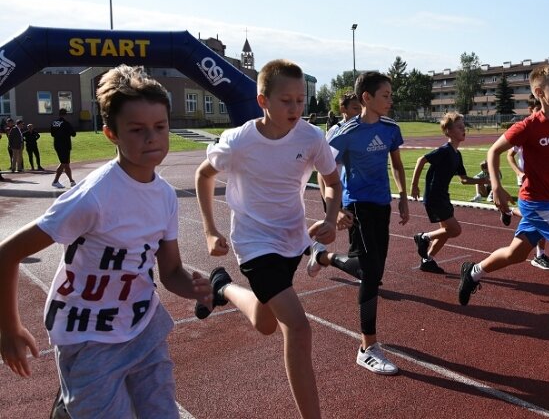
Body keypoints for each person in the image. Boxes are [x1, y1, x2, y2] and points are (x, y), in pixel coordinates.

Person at [0, 65, 212, 417]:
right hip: (87, 338)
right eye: (137, 129)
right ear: (111, 133)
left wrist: (193, 287)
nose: (152, 138)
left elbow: (171, 270)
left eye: (160, 127)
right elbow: (7, 253)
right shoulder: (93, 197)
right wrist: (8, 328)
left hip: (142, 327)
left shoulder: (165, 196)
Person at [194, 59, 341, 418]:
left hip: (291, 238)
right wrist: (210, 230)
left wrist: (332, 218)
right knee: (298, 328)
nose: (295, 108)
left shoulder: (311, 137)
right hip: (253, 242)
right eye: (286, 101)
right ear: (263, 101)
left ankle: (222, 288)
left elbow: (333, 182)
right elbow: (203, 175)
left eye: (300, 100)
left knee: (265, 323)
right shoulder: (239, 141)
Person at [457, 62, 549, 350]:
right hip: (535, 202)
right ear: (540, 92)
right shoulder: (527, 126)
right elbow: (494, 152)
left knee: (516, 254)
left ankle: (472, 272)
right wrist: (498, 187)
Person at [312, 71, 409, 374]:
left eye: (391, 95)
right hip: (357, 205)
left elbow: (395, 163)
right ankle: (368, 346)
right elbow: (323, 171)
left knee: (374, 270)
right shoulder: (344, 132)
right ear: (366, 98)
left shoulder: (391, 129)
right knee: (370, 273)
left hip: (382, 205)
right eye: (386, 95)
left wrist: (403, 196)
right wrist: (335, 208)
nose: (391, 100)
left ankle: (323, 256)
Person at [410, 112, 490, 274]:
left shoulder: (456, 154)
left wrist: (485, 181)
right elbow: (421, 160)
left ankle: (427, 259)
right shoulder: (444, 150)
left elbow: (464, 180)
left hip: (442, 196)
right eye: (459, 127)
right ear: (449, 131)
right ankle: (423, 237)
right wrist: (414, 185)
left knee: (446, 232)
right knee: (455, 230)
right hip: (435, 196)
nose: (464, 129)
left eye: (464, 126)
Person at [507, 96, 549, 271]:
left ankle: (509, 211)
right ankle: (540, 255)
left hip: (545, 181)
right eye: (537, 110)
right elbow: (509, 155)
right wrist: (519, 173)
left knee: (539, 216)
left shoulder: (546, 128)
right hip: (527, 180)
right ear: (531, 110)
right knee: (541, 216)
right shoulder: (525, 129)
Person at [51, 108, 76, 189]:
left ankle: (72, 181)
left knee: (66, 163)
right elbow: (73, 133)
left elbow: (52, 134)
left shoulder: (54, 123)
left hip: (57, 144)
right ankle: (55, 181)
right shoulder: (66, 123)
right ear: (65, 114)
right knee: (64, 163)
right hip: (65, 145)